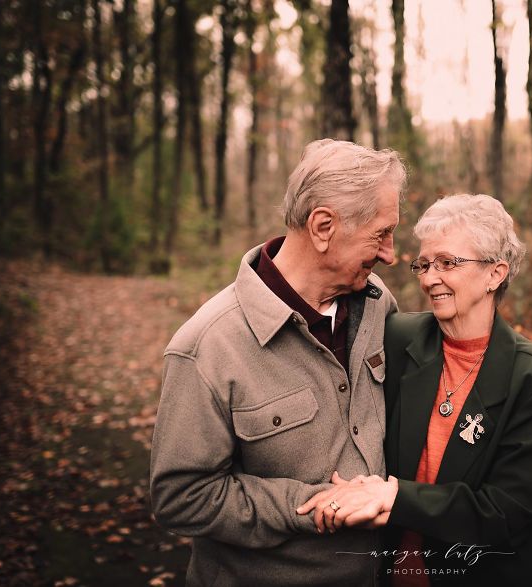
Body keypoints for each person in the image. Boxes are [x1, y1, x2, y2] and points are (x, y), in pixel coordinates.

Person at [150, 139, 405, 586]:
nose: (390, 253)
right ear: (323, 226)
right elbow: (181, 497)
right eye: (380, 234)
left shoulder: (379, 303)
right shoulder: (208, 345)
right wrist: (314, 508)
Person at [298, 194, 532, 586]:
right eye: (424, 264)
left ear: (495, 273)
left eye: (448, 263)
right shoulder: (396, 338)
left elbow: (504, 512)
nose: (430, 278)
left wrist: (392, 497)